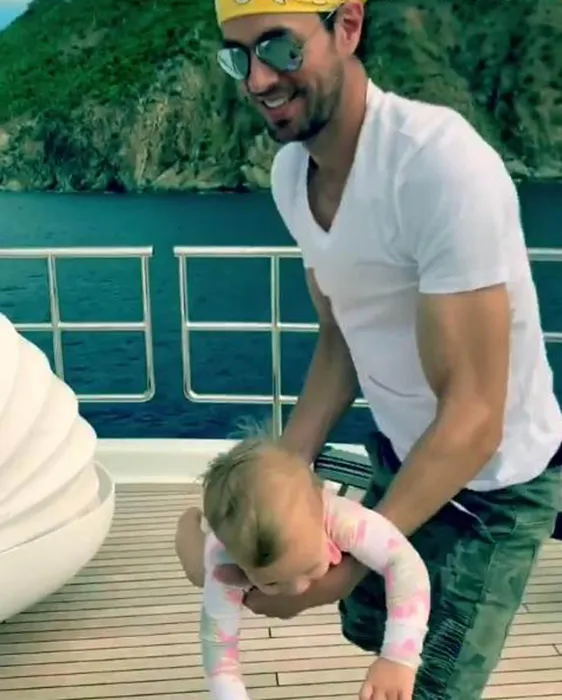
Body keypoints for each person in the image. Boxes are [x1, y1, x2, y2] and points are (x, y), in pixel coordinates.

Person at [175, 0, 562, 697]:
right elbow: (341, 340)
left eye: (280, 47)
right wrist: (277, 481)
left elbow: (476, 416)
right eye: (239, 56)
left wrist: (348, 567)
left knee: (430, 680)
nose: (258, 79)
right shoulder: (290, 178)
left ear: (347, 26)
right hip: (403, 450)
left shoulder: (438, 167)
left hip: (497, 483)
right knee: (370, 626)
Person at [197, 435, 431, 700]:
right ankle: (190, 524)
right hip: (215, 547)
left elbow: (403, 562)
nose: (298, 589)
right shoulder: (225, 562)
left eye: (309, 568)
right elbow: (218, 646)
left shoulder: (345, 521)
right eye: (271, 582)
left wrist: (399, 657)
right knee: (199, 565)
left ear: (322, 512)